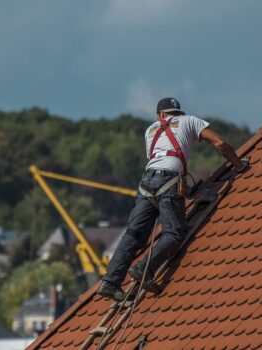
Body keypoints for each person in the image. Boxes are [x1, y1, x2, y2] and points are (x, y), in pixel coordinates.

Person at [97, 97, 247, 301]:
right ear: (177, 113)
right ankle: (144, 269)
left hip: (146, 183)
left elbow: (160, 158)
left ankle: (110, 282)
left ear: (160, 115)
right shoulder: (190, 121)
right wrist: (239, 165)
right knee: (174, 233)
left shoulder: (150, 130)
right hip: (169, 181)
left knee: (133, 235)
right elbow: (220, 143)